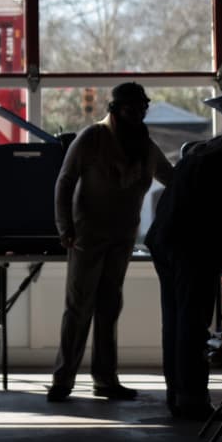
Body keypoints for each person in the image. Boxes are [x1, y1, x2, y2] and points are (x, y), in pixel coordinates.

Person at [48, 82, 173, 403]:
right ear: (116, 110)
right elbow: (64, 181)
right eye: (132, 109)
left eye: (143, 109)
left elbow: (172, 178)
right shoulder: (92, 138)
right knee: (79, 307)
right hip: (87, 236)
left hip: (122, 237)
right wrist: (65, 227)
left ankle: (105, 379)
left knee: (109, 306)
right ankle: (63, 379)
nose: (139, 115)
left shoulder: (144, 145)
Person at [146, 121, 222, 420]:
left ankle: (178, 395)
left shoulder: (200, 153)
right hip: (190, 247)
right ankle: (193, 400)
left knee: (174, 322)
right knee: (193, 323)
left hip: (164, 241)